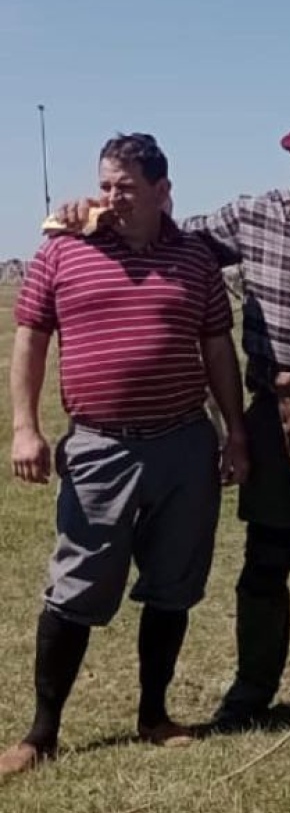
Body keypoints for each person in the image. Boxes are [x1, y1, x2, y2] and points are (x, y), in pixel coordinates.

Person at [52, 122, 290, 729]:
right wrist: (101, 211)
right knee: (267, 559)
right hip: (274, 411)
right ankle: (252, 690)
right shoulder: (249, 217)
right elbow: (169, 238)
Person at [1, 133, 247, 778]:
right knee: (75, 586)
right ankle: (41, 733)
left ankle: (154, 715)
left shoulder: (196, 260)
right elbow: (29, 342)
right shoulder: (63, 250)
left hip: (183, 443)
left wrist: (235, 432)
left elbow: (218, 351)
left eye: (127, 187)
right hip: (100, 446)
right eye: (106, 185)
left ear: (164, 192)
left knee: (173, 585)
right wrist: (24, 428)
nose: (112, 198)